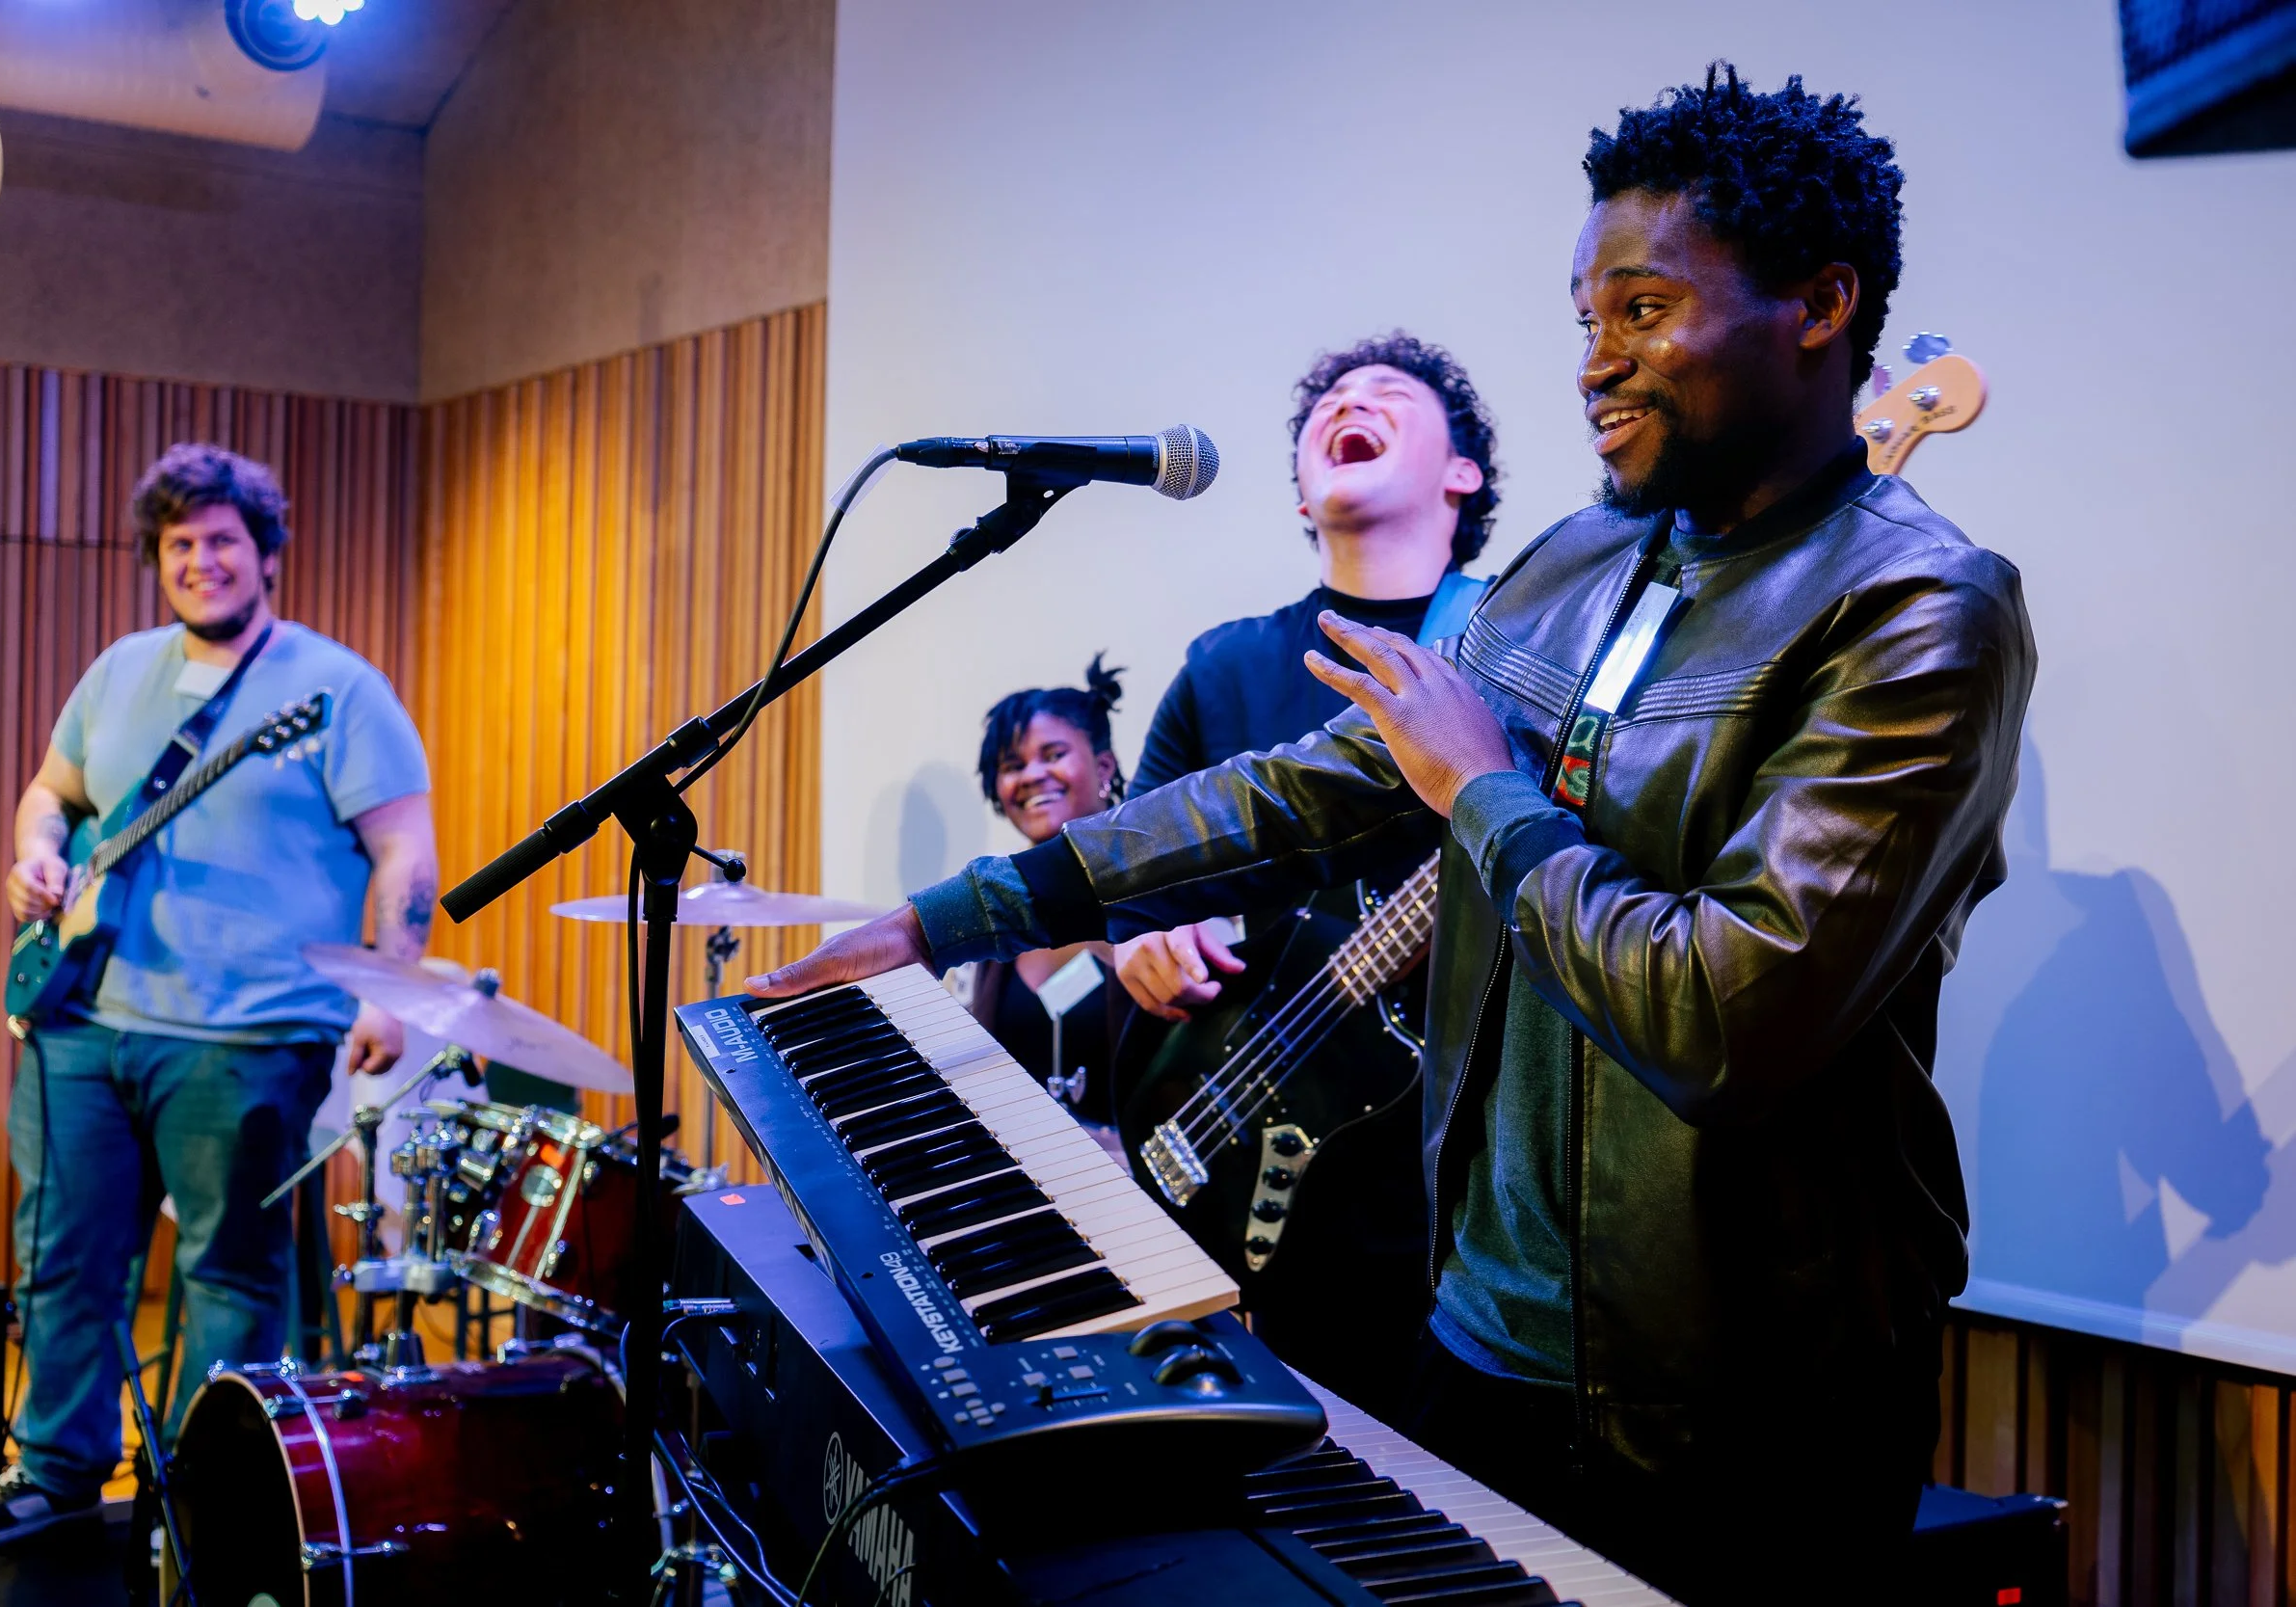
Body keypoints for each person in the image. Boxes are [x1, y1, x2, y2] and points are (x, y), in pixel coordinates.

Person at [750, 67, 2035, 1605]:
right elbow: (1291, 791)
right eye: (1585, 319)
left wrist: (1481, 788)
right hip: (1478, 1339)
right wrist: (950, 915)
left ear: (1821, 304)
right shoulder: (1579, 560)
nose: (1594, 363)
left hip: (1746, 1412)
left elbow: (1720, 1017)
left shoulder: (1920, 609)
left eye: (1641, 311)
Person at [0, 444, 438, 1550]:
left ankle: (206, 1502)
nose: (201, 561)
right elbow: (51, 794)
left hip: (250, 1037)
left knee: (229, 1278)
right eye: (179, 544)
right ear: (156, 557)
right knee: (62, 1259)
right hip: (83, 1023)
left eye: (221, 540)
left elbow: (405, 848)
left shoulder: (340, 687)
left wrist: (390, 988)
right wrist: (33, 855)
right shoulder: (119, 670)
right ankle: (56, 1470)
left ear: (266, 552)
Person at [1109, 332, 1496, 1416]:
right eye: (1328, 400)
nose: (1347, 403)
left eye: (1386, 392)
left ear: (1461, 473)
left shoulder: (1515, 643)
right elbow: (1132, 882)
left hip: (1448, 1198)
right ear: (1299, 495)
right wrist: (1143, 941)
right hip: (1223, 1129)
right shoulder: (1223, 667)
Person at [956, 657, 1131, 1133]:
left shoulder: (1161, 888)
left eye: (1052, 755)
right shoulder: (991, 917)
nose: (1031, 775)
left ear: (1103, 766)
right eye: (1013, 766)